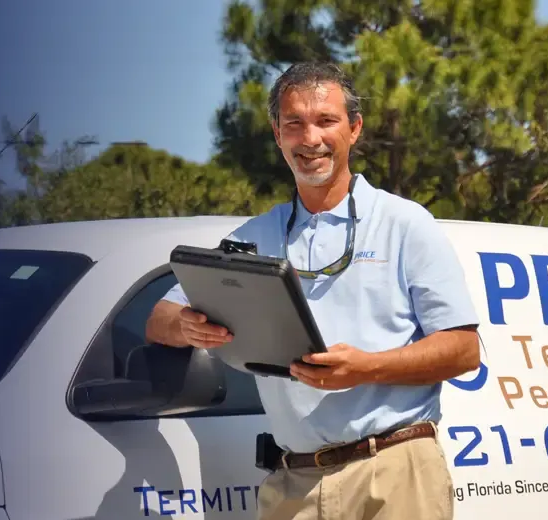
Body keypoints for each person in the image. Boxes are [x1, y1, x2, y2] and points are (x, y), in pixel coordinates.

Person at [144, 62, 482, 520]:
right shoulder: (253, 237)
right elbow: (159, 320)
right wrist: (188, 327)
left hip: (394, 470)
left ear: (355, 128)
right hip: (293, 485)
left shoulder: (405, 223)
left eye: (326, 121)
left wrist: (366, 369)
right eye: (294, 124)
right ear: (276, 133)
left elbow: (463, 350)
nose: (310, 139)